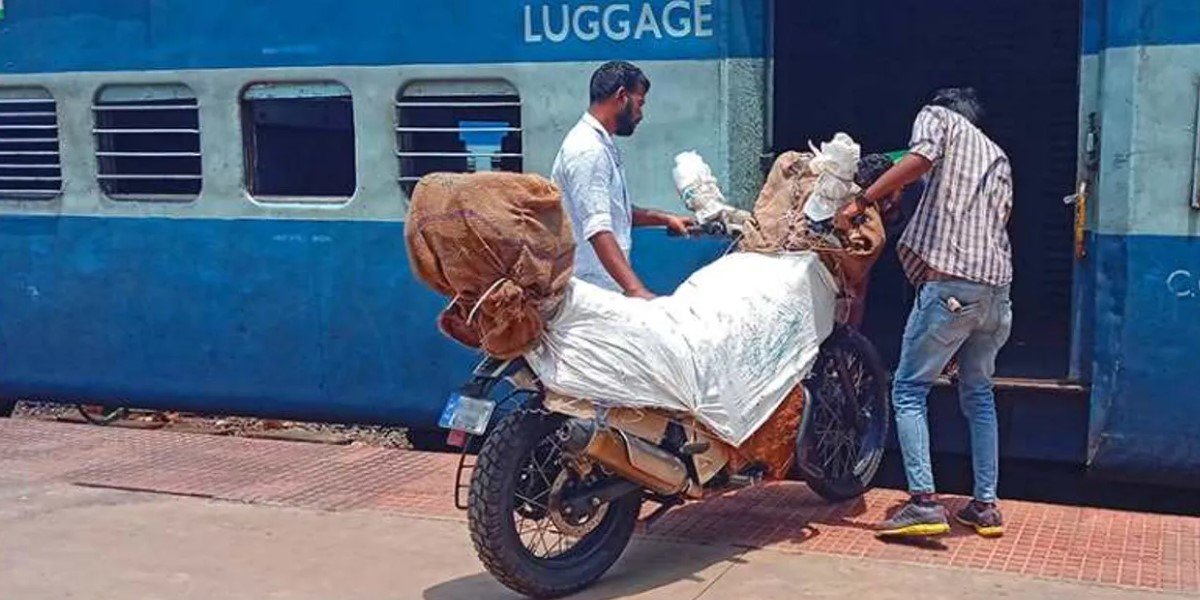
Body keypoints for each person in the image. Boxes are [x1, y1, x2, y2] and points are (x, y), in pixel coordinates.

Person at [844, 87, 1014, 538]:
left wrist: (861, 201)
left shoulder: (936, 117)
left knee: (907, 389)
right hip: (997, 294)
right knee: (978, 394)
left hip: (951, 288)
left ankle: (922, 502)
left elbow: (919, 158)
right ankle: (985, 506)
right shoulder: (997, 156)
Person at [551, 61, 694, 300]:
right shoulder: (588, 150)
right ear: (621, 96)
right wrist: (637, 290)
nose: (640, 115)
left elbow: (613, 211)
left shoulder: (601, 144)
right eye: (639, 103)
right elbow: (598, 227)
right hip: (589, 291)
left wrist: (665, 219)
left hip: (601, 289)